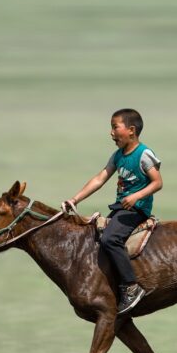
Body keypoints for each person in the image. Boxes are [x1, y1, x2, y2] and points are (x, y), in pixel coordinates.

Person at [64, 108, 162, 315]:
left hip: (137, 210)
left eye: (115, 127)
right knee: (96, 238)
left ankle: (131, 286)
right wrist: (75, 199)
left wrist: (136, 196)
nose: (111, 133)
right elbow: (100, 178)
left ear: (131, 130)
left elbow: (157, 182)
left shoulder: (143, 154)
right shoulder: (118, 156)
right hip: (121, 209)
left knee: (110, 239)